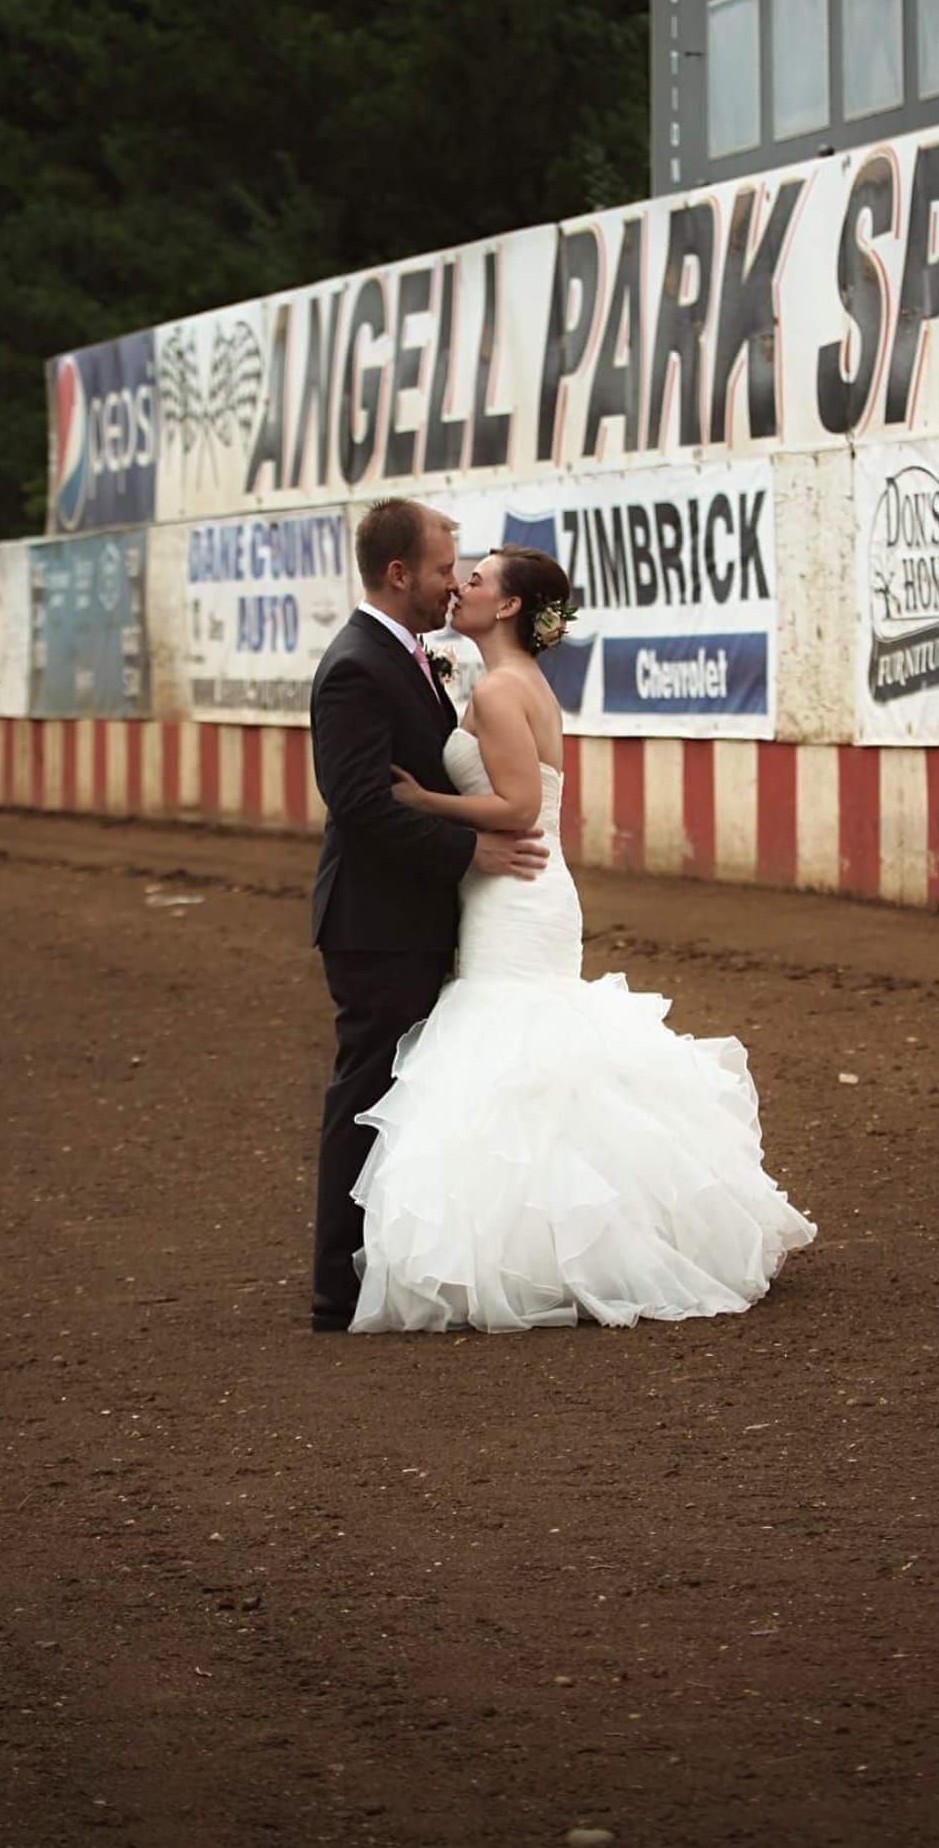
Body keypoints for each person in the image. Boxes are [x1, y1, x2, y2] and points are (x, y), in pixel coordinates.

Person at [347, 543, 816, 1332]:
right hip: (522, 890)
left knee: (517, 1054)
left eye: (476, 578)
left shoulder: (500, 689)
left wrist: (425, 799)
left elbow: (519, 809)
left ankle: (548, 1254)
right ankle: (564, 1245)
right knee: (534, 1061)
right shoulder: (516, 682)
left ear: (505, 608)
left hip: (516, 889)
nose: (458, 585)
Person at [309, 499, 548, 1333]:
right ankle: (339, 1289)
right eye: (446, 569)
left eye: (464, 572)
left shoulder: (411, 657)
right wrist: (467, 854)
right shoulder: (356, 665)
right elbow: (360, 804)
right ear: (400, 573)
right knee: (369, 1093)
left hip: (420, 916)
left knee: (409, 1096)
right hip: (375, 923)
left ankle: (395, 1269)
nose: (454, 584)